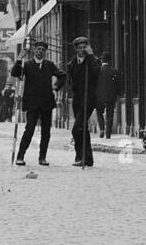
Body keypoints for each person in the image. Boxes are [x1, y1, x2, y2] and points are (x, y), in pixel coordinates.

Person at [11, 38, 65, 166]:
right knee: (29, 129)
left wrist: (56, 87)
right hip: (32, 102)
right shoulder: (27, 64)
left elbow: (63, 75)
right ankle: (20, 156)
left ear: (45, 52)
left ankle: (42, 158)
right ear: (34, 51)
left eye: (42, 50)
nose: (40, 52)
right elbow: (15, 73)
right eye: (38, 49)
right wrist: (19, 59)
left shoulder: (49, 65)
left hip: (46, 102)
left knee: (46, 132)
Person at [66, 37, 101, 167]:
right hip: (77, 100)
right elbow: (71, 81)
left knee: (77, 129)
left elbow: (97, 72)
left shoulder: (93, 61)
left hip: (89, 99)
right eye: (79, 48)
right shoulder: (72, 63)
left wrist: (91, 56)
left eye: (84, 47)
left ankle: (81, 155)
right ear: (75, 49)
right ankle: (86, 159)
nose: (82, 50)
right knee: (83, 129)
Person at [95, 51, 124, 140]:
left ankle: (102, 129)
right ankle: (108, 134)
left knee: (99, 113)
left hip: (99, 96)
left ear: (102, 60)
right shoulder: (114, 71)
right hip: (111, 96)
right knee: (109, 115)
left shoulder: (97, 71)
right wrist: (119, 93)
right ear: (110, 60)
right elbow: (118, 84)